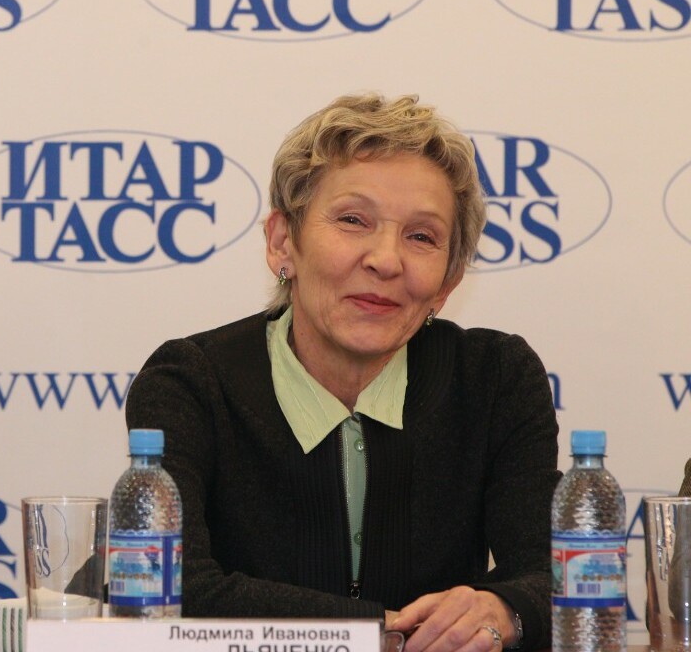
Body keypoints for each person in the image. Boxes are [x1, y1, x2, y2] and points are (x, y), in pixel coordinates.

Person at [125, 93, 559, 652]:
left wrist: (504, 609)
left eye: (422, 237)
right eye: (353, 220)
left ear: (447, 284)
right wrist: (387, 631)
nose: (386, 260)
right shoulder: (188, 383)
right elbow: (172, 589)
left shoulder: (495, 379)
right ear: (283, 242)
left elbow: (560, 578)